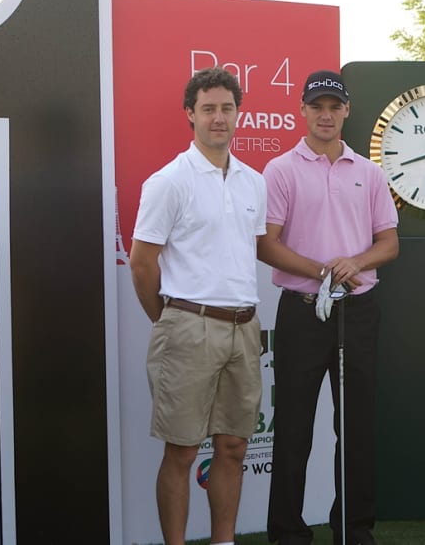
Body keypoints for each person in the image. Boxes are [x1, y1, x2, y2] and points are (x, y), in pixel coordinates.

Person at [261, 70, 399, 545]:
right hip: (302, 311)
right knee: (294, 428)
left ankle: (354, 530)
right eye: (316, 106)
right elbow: (268, 245)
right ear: (303, 111)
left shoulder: (369, 172)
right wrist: (323, 270)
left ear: (346, 112)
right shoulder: (280, 169)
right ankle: (287, 532)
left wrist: (354, 262)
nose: (325, 115)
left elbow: (389, 243)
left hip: (357, 311)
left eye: (333, 107)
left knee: (356, 428)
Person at [130, 67, 267, 545]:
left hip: (244, 329)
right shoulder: (169, 182)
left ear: (238, 114)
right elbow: (143, 265)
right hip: (189, 326)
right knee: (183, 452)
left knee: (232, 447)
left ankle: (223, 541)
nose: (218, 118)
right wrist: (171, 320)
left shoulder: (254, 182)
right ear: (190, 114)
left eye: (227, 108)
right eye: (208, 109)